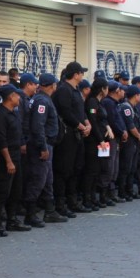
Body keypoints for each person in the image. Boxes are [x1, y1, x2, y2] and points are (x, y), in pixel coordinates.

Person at [22, 73, 64, 224]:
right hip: (41, 145)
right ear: (52, 85)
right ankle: (30, 215)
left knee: (47, 179)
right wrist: (43, 146)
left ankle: (50, 210)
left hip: (45, 144)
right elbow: (37, 126)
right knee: (38, 180)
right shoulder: (42, 101)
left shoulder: (42, 99)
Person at [0, 83, 29, 235]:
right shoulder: (1, 115)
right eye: (17, 95)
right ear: (11, 97)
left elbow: (17, 134)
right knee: (2, 192)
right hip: (7, 157)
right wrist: (9, 161)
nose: (19, 97)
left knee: (16, 191)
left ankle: (11, 220)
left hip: (17, 155)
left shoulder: (14, 113)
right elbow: (2, 140)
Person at [52, 62, 90, 214]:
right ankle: (60, 203)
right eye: (81, 73)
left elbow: (81, 111)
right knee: (64, 170)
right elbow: (66, 112)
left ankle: (72, 200)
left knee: (76, 168)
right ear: (75, 74)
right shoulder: (63, 90)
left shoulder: (76, 90)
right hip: (67, 136)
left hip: (77, 135)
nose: (82, 75)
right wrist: (81, 126)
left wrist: (87, 124)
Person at [83, 78, 112, 210]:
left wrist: (108, 127)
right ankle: (87, 199)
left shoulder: (100, 103)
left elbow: (103, 119)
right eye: (106, 88)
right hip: (94, 142)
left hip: (102, 141)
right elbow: (93, 122)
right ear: (102, 89)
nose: (108, 91)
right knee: (91, 171)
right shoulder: (92, 102)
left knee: (98, 170)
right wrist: (101, 140)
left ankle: (94, 197)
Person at [117, 86, 140, 201]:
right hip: (129, 141)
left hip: (135, 140)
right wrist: (139, 136)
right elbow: (130, 126)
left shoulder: (134, 108)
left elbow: (138, 124)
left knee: (132, 167)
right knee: (125, 167)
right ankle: (122, 192)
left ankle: (130, 190)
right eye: (139, 94)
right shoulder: (126, 108)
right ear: (135, 95)